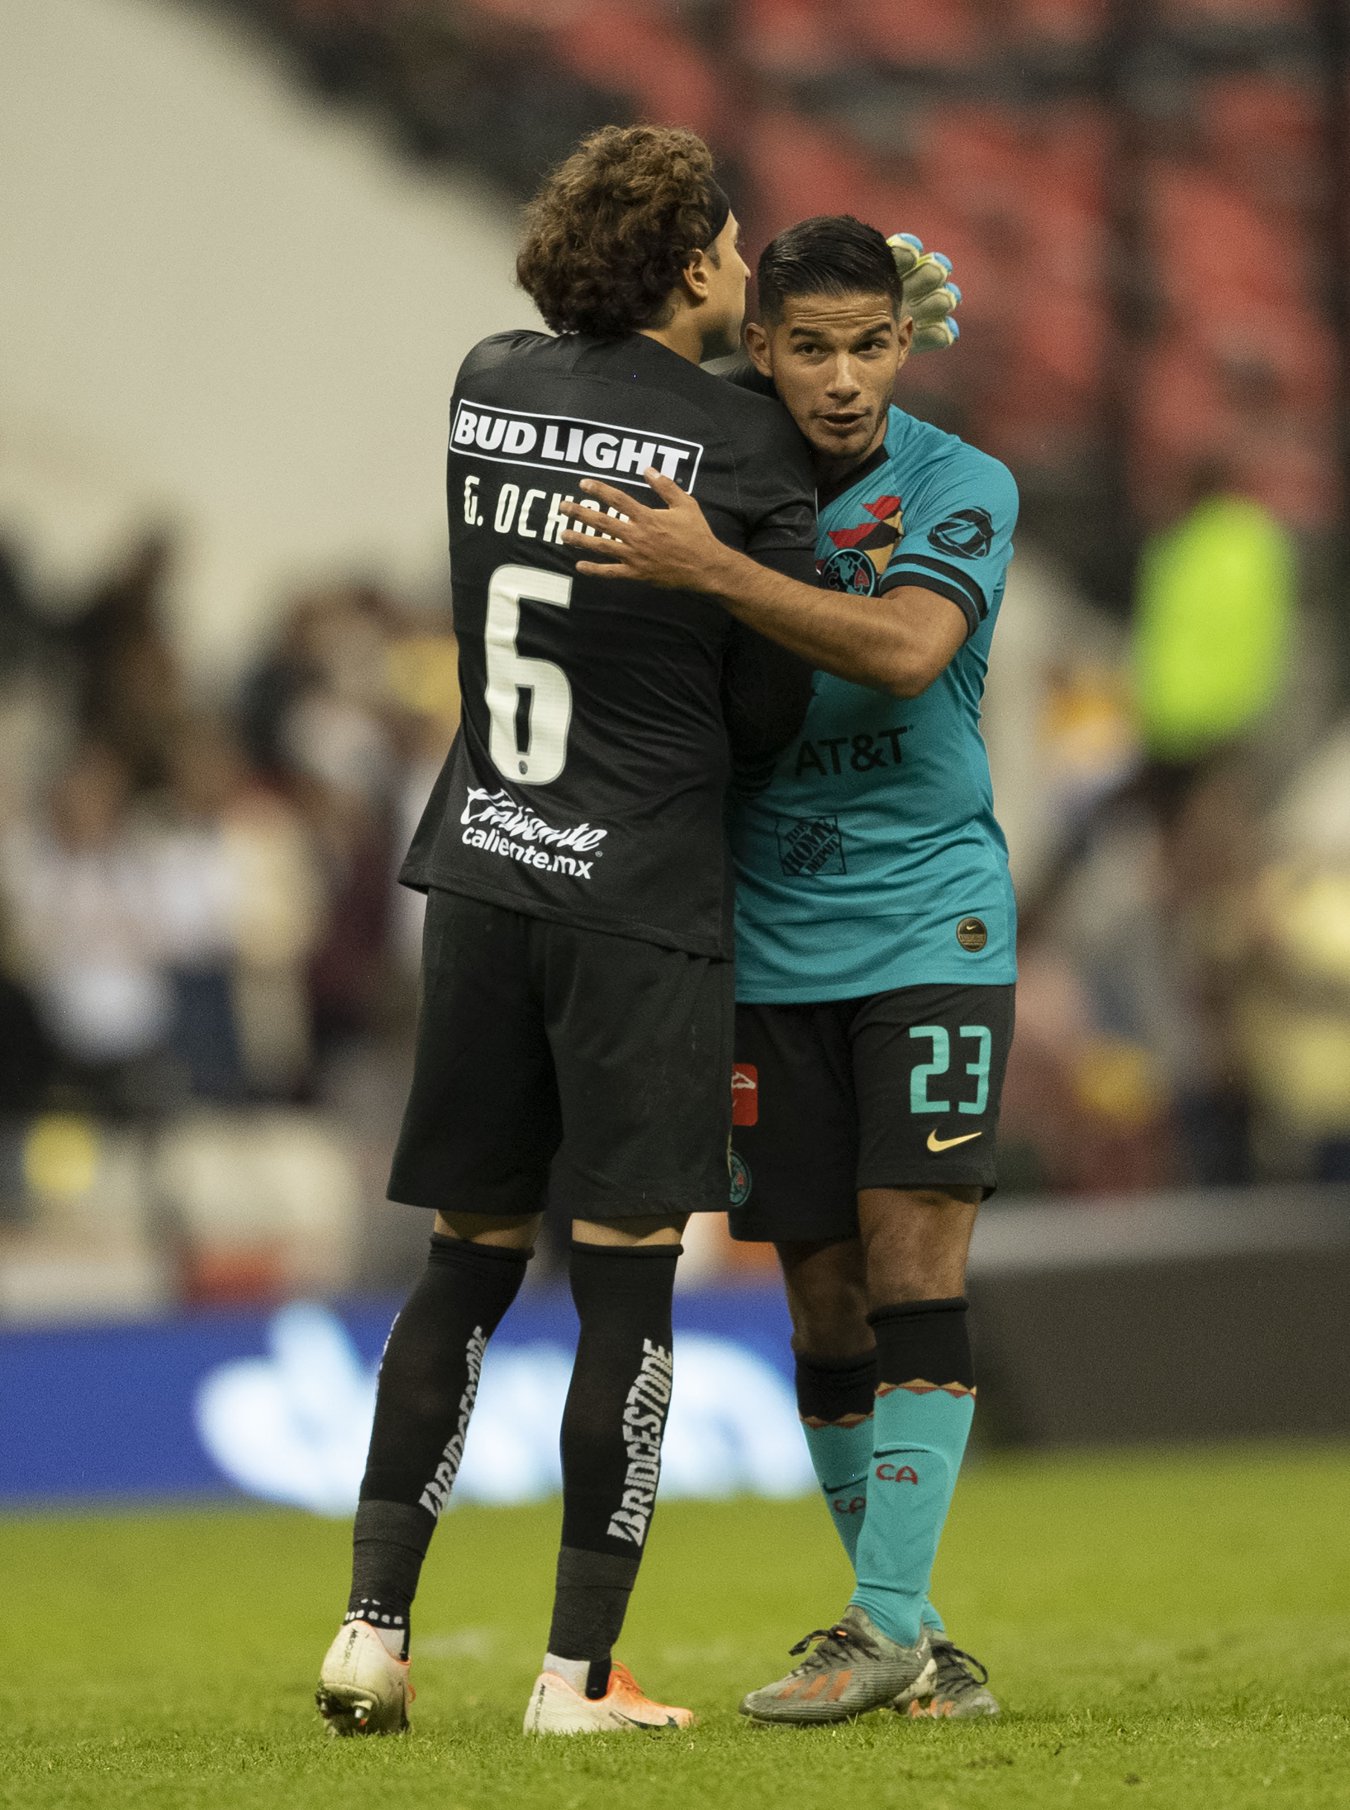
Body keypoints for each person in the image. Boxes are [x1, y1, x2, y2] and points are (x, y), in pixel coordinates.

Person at [315, 125, 820, 1739]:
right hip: (637, 905)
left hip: (477, 870)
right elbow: (765, 708)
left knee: (461, 1265)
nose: (748, 276)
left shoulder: (485, 375)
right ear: (687, 263)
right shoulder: (742, 444)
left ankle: (370, 1633)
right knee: (626, 1292)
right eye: (734, 250)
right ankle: (574, 1673)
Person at [560, 214, 1018, 1724]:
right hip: (766, 934)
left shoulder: (960, 484)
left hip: (930, 927)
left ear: (905, 341)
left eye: (867, 344)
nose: (839, 379)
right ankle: (911, 1637)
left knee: (912, 1262)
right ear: (758, 344)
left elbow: (897, 651)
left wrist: (711, 571)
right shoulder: (717, 463)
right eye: (806, 347)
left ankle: (878, 1617)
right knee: (821, 1296)